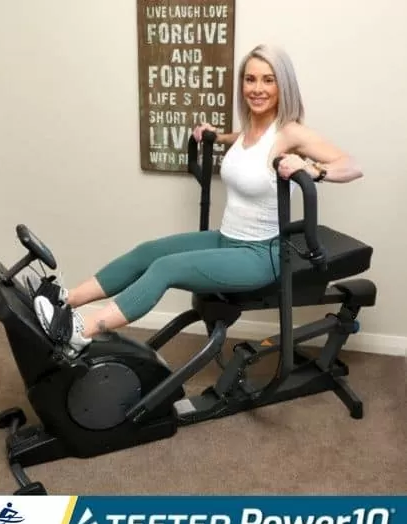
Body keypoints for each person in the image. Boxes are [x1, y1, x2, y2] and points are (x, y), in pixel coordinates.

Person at [28, 43, 363, 356]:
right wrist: (213, 135)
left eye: (268, 80)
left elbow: (351, 166)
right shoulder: (250, 128)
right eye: (250, 79)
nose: (257, 88)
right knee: (148, 252)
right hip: (226, 239)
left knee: (165, 267)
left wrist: (312, 169)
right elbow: (243, 142)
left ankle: (80, 331)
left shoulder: (290, 132)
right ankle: (65, 300)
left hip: (261, 255)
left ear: (283, 86)